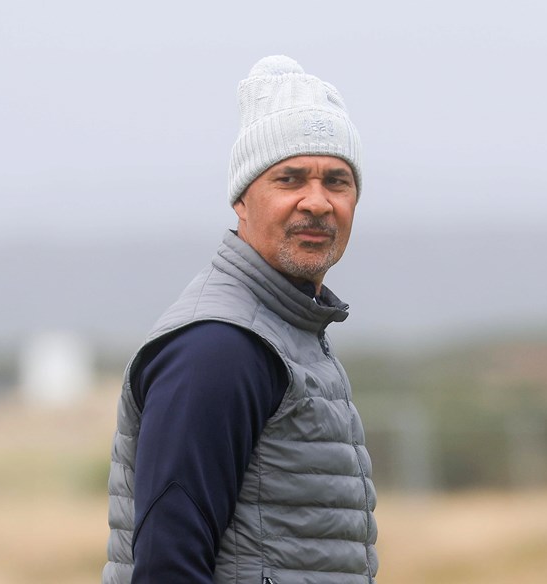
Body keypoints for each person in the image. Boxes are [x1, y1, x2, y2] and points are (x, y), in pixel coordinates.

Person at [103, 55, 379, 584]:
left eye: (337, 181)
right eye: (290, 178)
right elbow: (168, 567)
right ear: (242, 198)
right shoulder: (220, 346)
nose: (317, 202)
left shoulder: (287, 331)